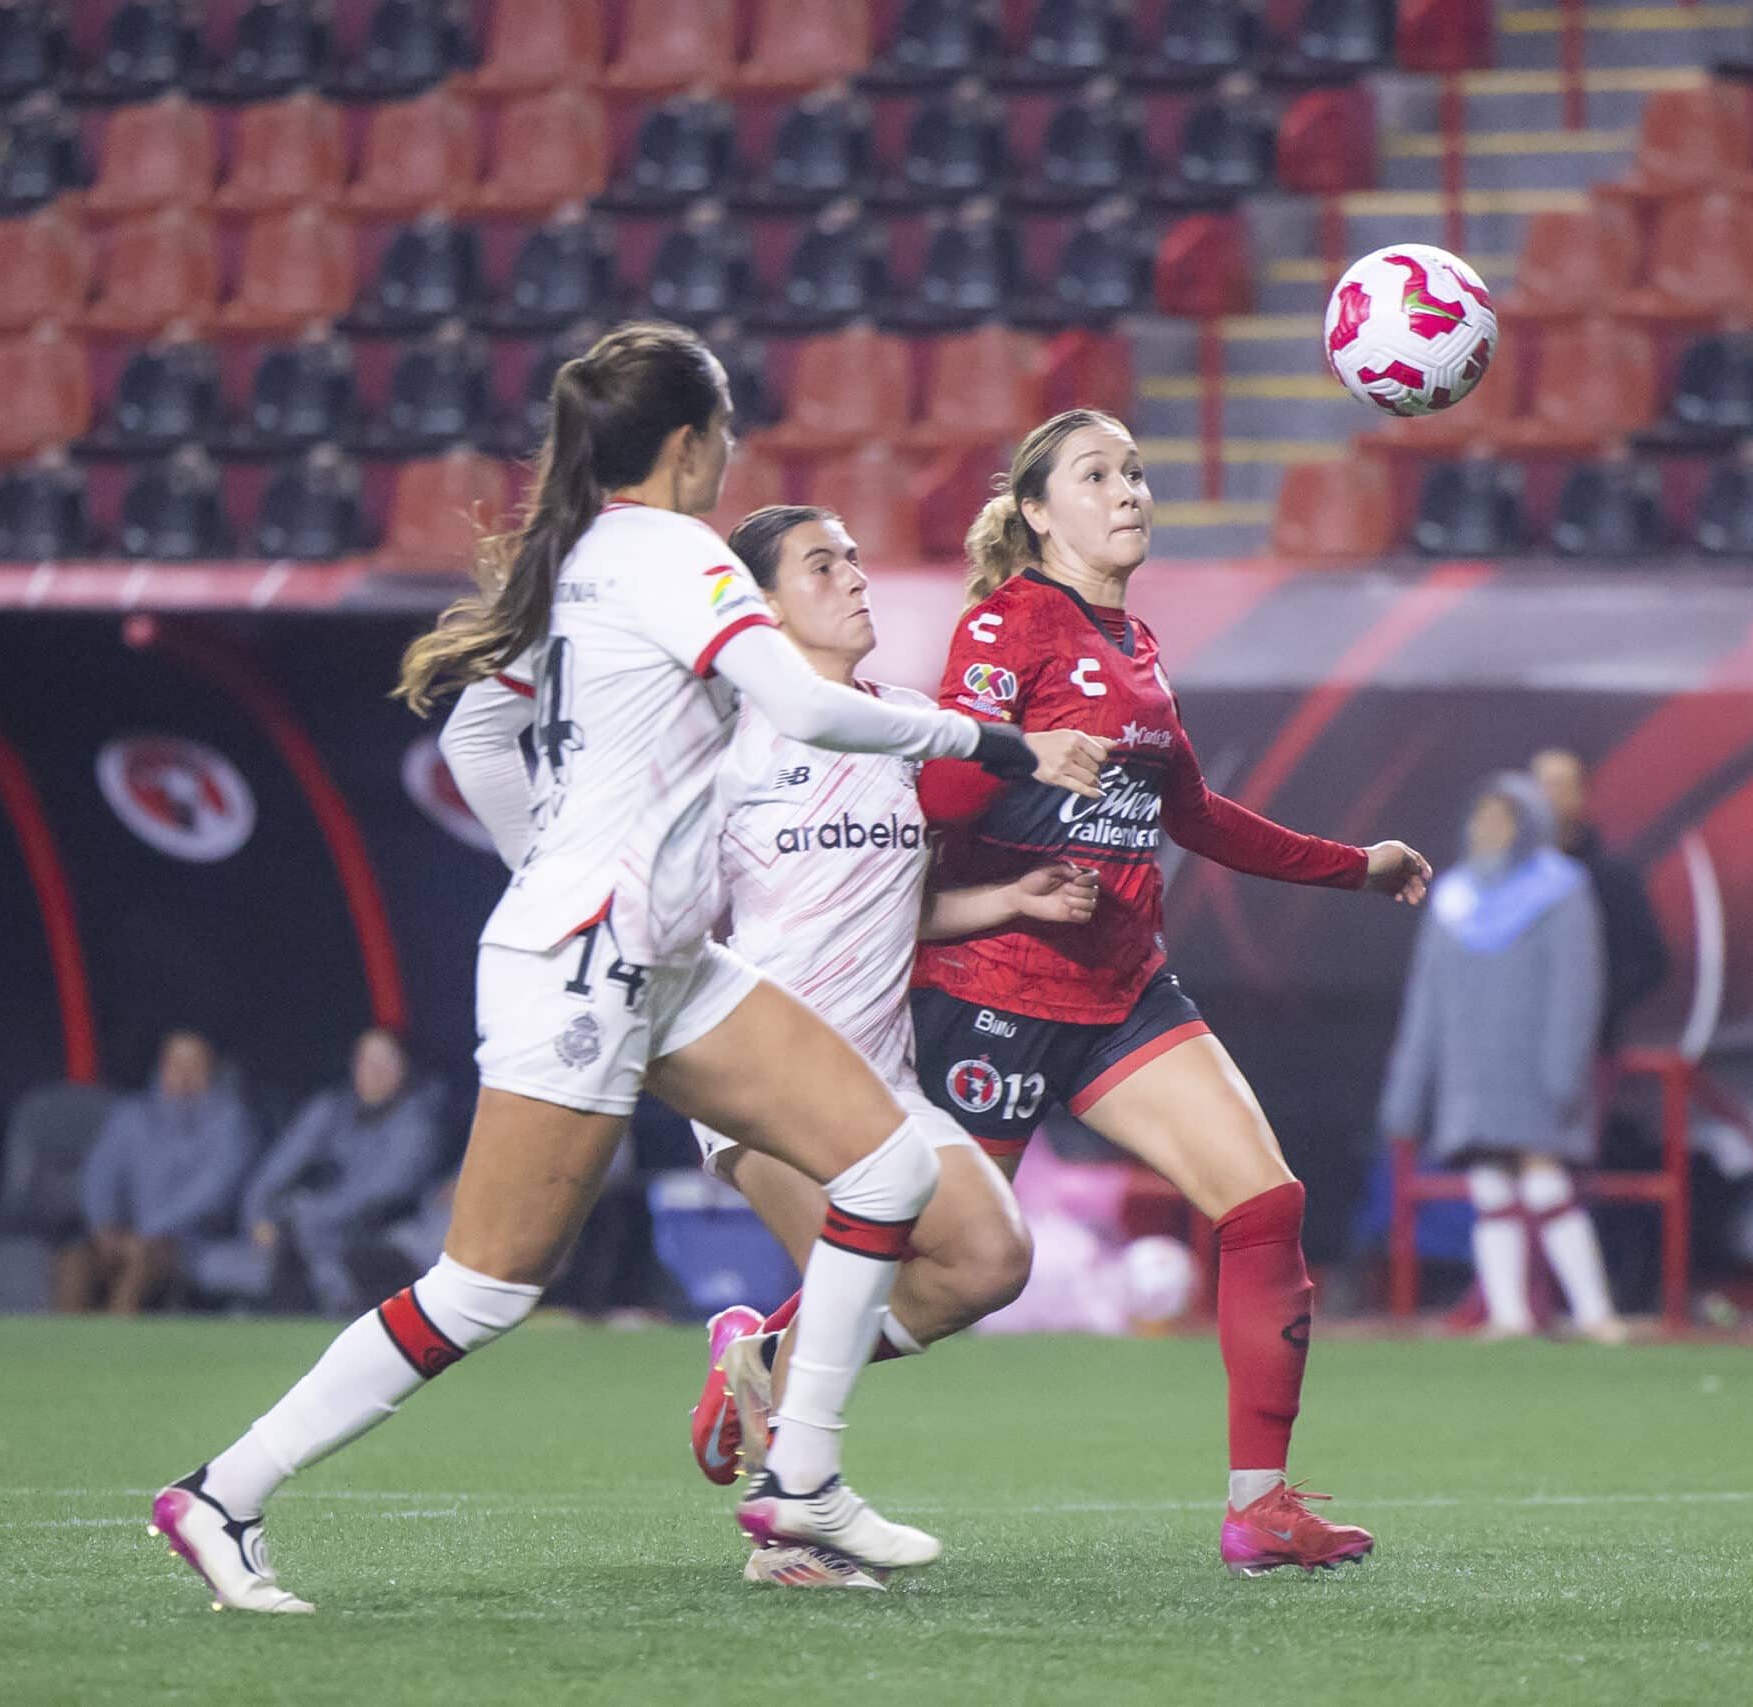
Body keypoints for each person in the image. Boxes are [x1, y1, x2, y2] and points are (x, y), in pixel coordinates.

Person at [147, 321, 1111, 1614]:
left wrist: (548, 860)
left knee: (882, 1165)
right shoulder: (672, 555)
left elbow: (485, 729)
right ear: (691, 438)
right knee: (484, 1285)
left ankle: (802, 1480)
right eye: (724, 427)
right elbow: (810, 704)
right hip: (590, 967)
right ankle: (224, 1491)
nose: (731, 450)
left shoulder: (585, 560)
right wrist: (1005, 745)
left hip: (660, 957)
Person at [912, 408, 1434, 1577]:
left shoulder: (1134, 644)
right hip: (995, 988)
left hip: (1122, 986)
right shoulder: (1007, 623)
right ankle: (772, 1362)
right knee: (949, 1276)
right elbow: (939, 799)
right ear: (1039, 512)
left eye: (1138, 471)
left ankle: (1261, 1507)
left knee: (1263, 1206)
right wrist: (1007, 750)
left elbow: (1193, 816)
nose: (1129, 490)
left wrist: (1358, 866)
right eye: (1096, 474)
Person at [679, 505, 1103, 1589]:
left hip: (882, 1080)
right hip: (761, 1075)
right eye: (824, 565)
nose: (857, 578)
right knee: (844, 1276)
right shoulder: (717, 740)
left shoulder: (908, 724)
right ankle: (792, 1540)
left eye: (858, 558)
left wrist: (1008, 897)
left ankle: (763, 1366)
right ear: (761, 609)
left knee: (990, 1263)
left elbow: (888, 908)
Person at [1378, 774, 1621, 1343]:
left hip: (1536, 1073)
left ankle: (1594, 1313)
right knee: (1489, 1189)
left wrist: (1565, 1068)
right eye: (1482, 819)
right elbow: (1426, 1002)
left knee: (1546, 1186)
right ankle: (1509, 1317)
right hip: (1472, 1078)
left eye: (1503, 820)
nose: (1489, 831)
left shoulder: (1563, 890)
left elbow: (1577, 987)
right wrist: (1408, 1090)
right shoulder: (1454, 899)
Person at [243, 1029, 446, 1317]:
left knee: (315, 1236)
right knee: (291, 1237)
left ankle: (340, 1305)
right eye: (366, 1061)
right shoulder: (331, 1108)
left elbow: (384, 1192)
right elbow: (277, 1168)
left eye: (386, 1062)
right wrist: (259, 1214)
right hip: (320, 1230)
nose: (374, 1072)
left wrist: (311, 1213)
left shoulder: (418, 1121)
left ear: (404, 1068)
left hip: (388, 1233)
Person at [56, 1029, 256, 1315]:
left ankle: (115, 1346)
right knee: (74, 1262)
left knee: (141, 1265)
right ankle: (65, 1347)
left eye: (194, 1067)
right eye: (176, 1066)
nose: (184, 1077)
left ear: (211, 1072)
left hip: (185, 1245)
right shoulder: (130, 1117)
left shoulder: (230, 1122)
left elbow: (213, 1190)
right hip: (119, 1238)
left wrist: (147, 1232)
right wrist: (104, 1226)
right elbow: (99, 1176)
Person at [1530, 748, 1668, 1048]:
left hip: (1590, 1049)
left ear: (1581, 794)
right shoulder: (1505, 881)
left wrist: (1591, 1005)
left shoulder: (1612, 878)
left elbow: (1649, 962)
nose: (1548, 797)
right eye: (1540, 785)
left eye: (1559, 786)